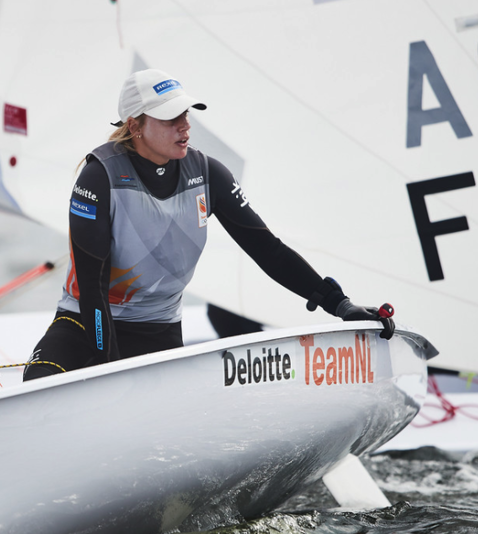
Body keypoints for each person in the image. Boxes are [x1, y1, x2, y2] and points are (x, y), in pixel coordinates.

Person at [22, 69, 394, 381]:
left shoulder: (207, 174)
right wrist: (109, 369)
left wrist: (341, 306)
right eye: (170, 119)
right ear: (135, 125)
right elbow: (92, 287)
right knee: (38, 383)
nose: (185, 127)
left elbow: (269, 250)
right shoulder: (98, 178)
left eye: (186, 114)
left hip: (156, 331)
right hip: (86, 323)